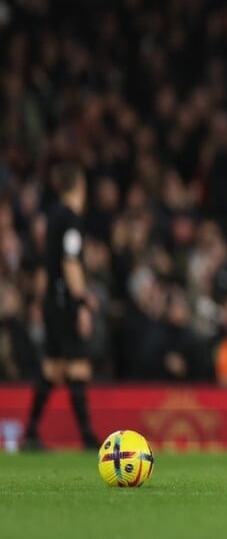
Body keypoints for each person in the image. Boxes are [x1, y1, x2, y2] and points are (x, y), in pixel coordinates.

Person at [22, 163, 100, 450]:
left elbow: (47, 264)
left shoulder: (53, 216)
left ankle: (30, 432)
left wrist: (39, 301)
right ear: (80, 185)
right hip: (64, 302)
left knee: (53, 368)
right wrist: (81, 301)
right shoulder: (70, 219)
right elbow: (70, 262)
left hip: (50, 302)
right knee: (77, 367)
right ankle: (89, 437)